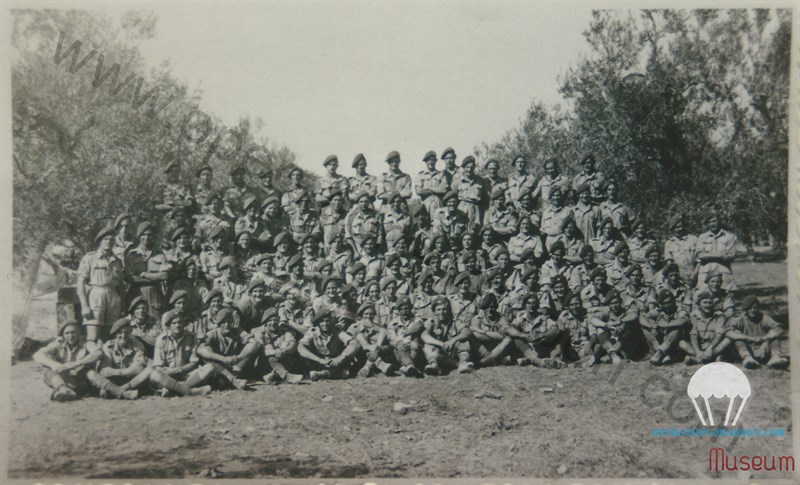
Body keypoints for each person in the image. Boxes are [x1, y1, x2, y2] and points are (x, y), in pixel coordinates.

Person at [33, 319, 103, 402]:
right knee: (46, 367)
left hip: (81, 380)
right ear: (62, 335)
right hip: (64, 380)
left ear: (79, 333)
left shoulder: (86, 343)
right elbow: (37, 355)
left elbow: (98, 353)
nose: (70, 336)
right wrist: (53, 364)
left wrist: (75, 364)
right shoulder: (58, 343)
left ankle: (61, 393)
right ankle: (64, 390)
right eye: (67, 333)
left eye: (73, 332)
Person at [149, 310, 214, 396]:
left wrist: (178, 370)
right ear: (169, 325)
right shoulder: (161, 340)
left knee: (210, 367)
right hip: (168, 375)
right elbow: (158, 366)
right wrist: (172, 372)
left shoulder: (192, 337)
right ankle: (191, 392)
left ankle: (174, 389)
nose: (177, 325)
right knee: (154, 374)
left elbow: (194, 363)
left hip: (186, 375)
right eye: (174, 323)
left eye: (180, 322)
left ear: (184, 324)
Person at [77, 225, 125, 342]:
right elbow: (80, 284)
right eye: (106, 239)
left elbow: (120, 285)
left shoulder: (117, 261)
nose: (109, 242)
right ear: (100, 241)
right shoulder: (90, 258)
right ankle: (92, 359)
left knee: (110, 335)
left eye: (112, 239)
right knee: (93, 337)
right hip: (96, 296)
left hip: (113, 298)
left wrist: (122, 304)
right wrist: (84, 306)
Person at [196, 307, 261, 389]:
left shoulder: (237, 331)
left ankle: (232, 379)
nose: (227, 325)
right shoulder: (213, 334)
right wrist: (223, 358)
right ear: (219, 323)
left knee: (251, 349)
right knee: (209, 354)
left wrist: (239, 357)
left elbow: (256, 343)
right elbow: (200, 349)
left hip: (233, 366)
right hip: (218, 368)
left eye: (229, 321)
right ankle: (233, 381)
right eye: (223, 322)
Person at [91, 317, 152, 399]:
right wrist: (126, 371)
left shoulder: (138, 345)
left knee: (148, 370)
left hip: (132, 381)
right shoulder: (108, 346)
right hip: (114, 380)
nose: (123, 336)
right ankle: (124, 393)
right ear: (115, 334)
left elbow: (138, 369)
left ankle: (116, 391)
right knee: (94, 376)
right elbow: (104, 371)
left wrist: (116, 372)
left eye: (126, 332)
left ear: (130, 332)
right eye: (120, 333)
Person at [726, 295, 788, 369]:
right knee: (737, 338)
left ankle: (775, 357)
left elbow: (779, 329)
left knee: (774, 336)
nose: (753, 310)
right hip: (748, 349)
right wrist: (748, 337)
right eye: (750, 308)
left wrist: (765, 339)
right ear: (745, 309)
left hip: (763, 349)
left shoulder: (764, 318)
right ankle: (747, 358)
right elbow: (728, 332)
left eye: (755, 307)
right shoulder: (740, 319)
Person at [297, 309, 360, 381]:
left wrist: (341, 357)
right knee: (345, 373)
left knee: (346, 371)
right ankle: (331, 374)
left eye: (327, 321)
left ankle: (323, 374)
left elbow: (355, 343)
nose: (325, 324)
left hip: (336, 363)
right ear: (318, 323)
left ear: (331, 321)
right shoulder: (313, 331)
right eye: (322, 321)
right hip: (319, 363)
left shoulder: (337, 331)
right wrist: (319, 360)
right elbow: (300, 347)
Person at [125, 221, 169, 321]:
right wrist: (155, 278)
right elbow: (130, 278)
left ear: (153, 236)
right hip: (136, 293)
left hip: (155, 295)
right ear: (139, 236)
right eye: (143, 234)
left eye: (149, 235)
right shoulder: (131, 255)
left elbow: (165, 276)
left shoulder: (160, 254)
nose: (147, 237)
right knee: (135, 324)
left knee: (155, 323)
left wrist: (143, 274)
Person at [420, 296, 474, 375]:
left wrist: (453, 340)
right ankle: (433, 366)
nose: (441, 312)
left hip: (453, 356)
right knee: (428, 345)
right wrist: (441, 344)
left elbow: (466, 331)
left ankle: (463, 363)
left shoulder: (454, 321)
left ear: (448, 310)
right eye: (438, 309)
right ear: (434, 311)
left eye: (444, 309)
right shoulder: (431, 322)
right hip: (438, 356)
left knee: (463, 341)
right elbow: (424, 336)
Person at [250, 308, 304, 384]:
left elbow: (293, 344)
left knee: (285, 344)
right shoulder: (257, 331)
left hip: (282, 361)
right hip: (262, 364)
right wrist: (275, 352)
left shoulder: (283, 330)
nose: (273, 323)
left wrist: (283, 351)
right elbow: (260, 351)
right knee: (269, 348)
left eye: (275, 320)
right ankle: (286, 376)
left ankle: (273, 375)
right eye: (270, 321)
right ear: (265, 322)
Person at [639, 289, 692, 366]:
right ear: (660, 304)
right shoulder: (659, 311)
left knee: (676, 328)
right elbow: (642, 318)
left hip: (678, 347)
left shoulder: (679, 310)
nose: (668, 305)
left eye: (670, 302)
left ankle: (660, 353)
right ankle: (661, 354)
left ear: (674, 302)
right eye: (665, 303)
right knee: (647, 324)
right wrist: (651, 327)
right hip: (662, 343)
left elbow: (683, 321)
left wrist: (666, 324)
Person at [683, 290, 732, 366]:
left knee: (727, 341)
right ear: (699, 304)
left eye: (710, 303)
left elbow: (719, 335)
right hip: (700, 347)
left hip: (714, 346)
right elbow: (693, 335)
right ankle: (706, 358)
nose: (708, 305)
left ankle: (697, 359)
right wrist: (697, 351)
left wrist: (710, 348)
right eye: (705, 302)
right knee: (682, 343)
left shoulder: (720, 316)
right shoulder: (695, 316)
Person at [349, 303, 397, 377]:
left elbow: (389, 338)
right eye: (366, 314)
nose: (368, 316)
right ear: (361, 315)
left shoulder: (379, 328)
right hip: (361, 356)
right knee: (360, 336)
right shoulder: (354, 327)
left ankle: (368, 365)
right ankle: (379, 363)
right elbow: (349, 342)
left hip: (377, 353)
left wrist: (376, 349)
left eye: (371, 314)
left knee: (383, 339)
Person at [695, 213, 738, 290]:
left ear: (720, 221)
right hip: (705, 274)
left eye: (714, 221)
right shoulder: (702, 237)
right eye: (709, 222)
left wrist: (707, 256)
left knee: (727, 298)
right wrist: (719, 255)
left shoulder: (730, 237)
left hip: (723, 274)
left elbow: (730, 257)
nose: (712, 224)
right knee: (704, 297)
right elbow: (700, 255)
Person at [471, 294, 514, 367]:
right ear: (484, 307)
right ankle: (497, 359)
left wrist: (483, 331)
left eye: (493, 307)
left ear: (496, 307)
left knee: (508, 339)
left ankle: (487, 361)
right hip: (483, 348)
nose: (490, 310)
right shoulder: (477, 318)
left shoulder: (501, 317)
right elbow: (477, 335)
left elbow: (504, 335)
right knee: (472, 338)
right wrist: (495, 336)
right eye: (487, 307)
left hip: (498, 348)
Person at [452, 155, 486, 229]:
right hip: (462, 209)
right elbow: (453, 196)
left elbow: (484, 197)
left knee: (475, 229)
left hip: (476, 209)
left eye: (471, 167)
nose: (469, 169)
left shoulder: (480, 181)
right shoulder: (457, 182)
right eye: (467, 167)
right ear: (464, 168)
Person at [415, 150, 449, 215]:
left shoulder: (441, 175)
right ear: (425, 162)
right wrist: (436, 190)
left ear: (435, 161)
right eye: (428, 160)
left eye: (432, 160)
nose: (430, 162)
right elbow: (418, 191)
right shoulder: (420, 175)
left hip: (438, 204)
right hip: (425, 205)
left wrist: (428, 188)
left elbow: (443, 190)